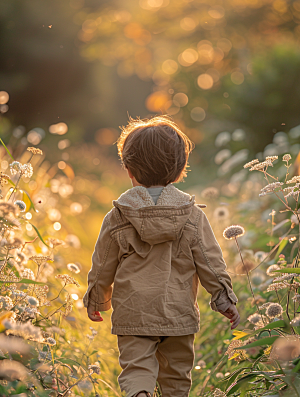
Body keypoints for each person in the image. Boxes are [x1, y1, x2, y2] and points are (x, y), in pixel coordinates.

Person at [83, 115, 240, 397]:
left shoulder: (118, 215)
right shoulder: (192, 215)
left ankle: (140, 393)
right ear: (180, 170)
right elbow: (210, 261)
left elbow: (103, 262)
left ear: (128, 169)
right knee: (177, 378)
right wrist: (223, 297)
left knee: (136, 369)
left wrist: (96, 297)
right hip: (177, 314)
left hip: (134, 313)